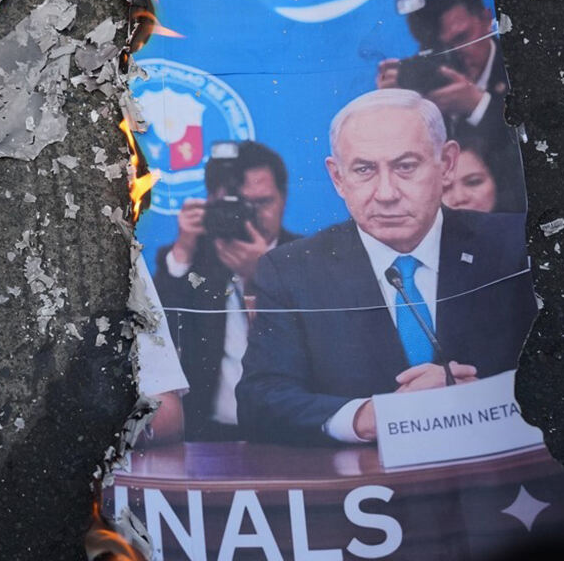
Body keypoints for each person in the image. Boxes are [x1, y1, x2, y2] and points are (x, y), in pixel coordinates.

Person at [237, 89, 535, 445]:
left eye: (405, 166)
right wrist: (371, 416)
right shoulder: (292, 270)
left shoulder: (518, 245)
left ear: (446, 163)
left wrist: (485, 398)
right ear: (338, 178)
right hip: (367, 477)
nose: (386, 193)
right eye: (364, 170)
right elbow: (259, 401)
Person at [153, 140, 300, 440]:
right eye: (238, 206)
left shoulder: (304, 258)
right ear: (211, 202)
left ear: (284, 199)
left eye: (262, 203)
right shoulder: (193, 258)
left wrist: (260, 276)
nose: (250, 216)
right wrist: (183, 252)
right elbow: (159, 339)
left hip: (287, 433)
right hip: (208, 434)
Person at [376, 0, 524, 210]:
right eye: (440, 48)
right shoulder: (423, 81)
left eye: (461, 38)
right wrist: (395, 112)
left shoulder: (519, 61)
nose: (455, 54)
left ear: (487, 19)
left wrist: (479, 106)